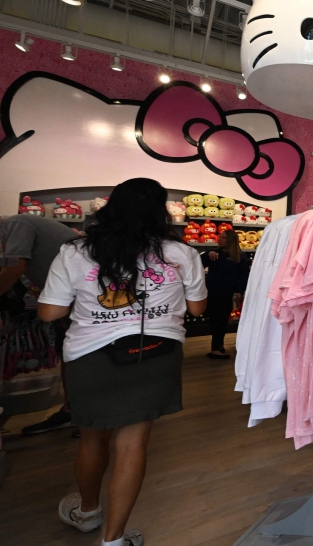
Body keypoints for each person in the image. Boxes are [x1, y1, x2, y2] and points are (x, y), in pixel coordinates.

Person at [37, 178, 207, 546]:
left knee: (91, 441)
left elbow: (50, 312)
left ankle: (87, 513)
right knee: (132, 446)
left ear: (111, 206)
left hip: (91, 357)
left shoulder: (76, 251)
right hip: (156, 354)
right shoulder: (181, 253)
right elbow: (197, 309)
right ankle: (113, 540)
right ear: (161, 211)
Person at [0, 213, 79, 434]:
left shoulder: (18, 224)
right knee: (69, 352)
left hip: (79, 299)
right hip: (70, 298)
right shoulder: (16, 228)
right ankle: (72, 410)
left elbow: (14, 268)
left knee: (80, 354)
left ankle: (86, 414)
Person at [201, 229, 250, 359]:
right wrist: (207, 254)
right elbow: (197, 264)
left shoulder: (240, 257)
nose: (219, 239)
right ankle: (216, 347)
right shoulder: (214, 253)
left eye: (223, 237)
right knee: (215, 320)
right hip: (212, 292)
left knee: (221, 320)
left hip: (227, 294)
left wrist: (240, 291)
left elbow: (244, 276)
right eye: (220, 237)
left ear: (230, 240)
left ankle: (217, 347)